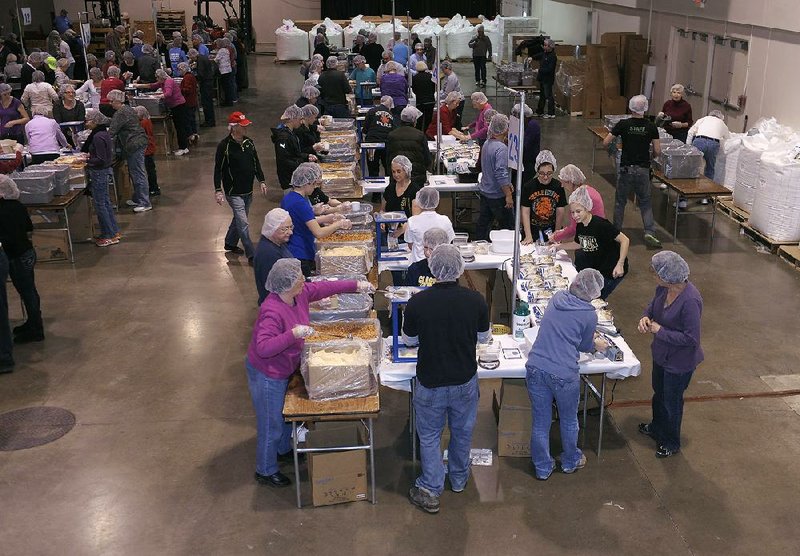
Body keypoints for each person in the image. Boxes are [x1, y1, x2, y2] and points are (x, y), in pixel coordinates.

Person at [246, 258, 372, 487]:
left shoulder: (299, 294)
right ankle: (265, 469)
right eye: (299, 278)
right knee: (270, 421)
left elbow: (323, 288)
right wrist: (292, 334)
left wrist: (355, 285)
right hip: (267, 373)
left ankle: (283, 450)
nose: (304, 280)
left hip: (285, 367)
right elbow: (263, 348)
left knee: (282, 416)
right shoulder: (272, 311)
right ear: (286, 285)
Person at [403, 244, 491, 513]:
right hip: (464, 380)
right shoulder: (475, 300)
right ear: (459, 268)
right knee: (462, 432)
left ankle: (430, 487)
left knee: (429, 436)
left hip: (430, 382)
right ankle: (459, 479)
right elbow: (484, 338)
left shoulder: (417, 302)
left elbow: (409, 340)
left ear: (433, 268)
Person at [525, 268, 608, 480]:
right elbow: (584, 344)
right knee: (569, 419)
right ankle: (571, 460)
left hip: (536, 367)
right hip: (563, 374)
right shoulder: (589, 314)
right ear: (593, 293)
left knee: (540, 421)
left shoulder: (557, 297)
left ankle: (542, 467)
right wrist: (596, 345)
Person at [638, 251, 703, 459]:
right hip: (661, 355)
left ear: (669, 277)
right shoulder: (662, 289)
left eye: (656, 274)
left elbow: (691, 339)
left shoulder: (690, 301)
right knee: (659, 393)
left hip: (679, 362)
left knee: (672, 402)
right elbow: (651, 307)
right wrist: (645, 318)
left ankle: (671, 441)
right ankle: (657, 427)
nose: (654, 277)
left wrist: (660, 331)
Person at [603, 94, 663, 249]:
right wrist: (650, 154)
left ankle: (616, 232)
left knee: (620, 202)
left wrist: (618, 145)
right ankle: (649, 232)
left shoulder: (623, 124)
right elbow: (657, 150)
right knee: (645, 202)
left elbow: (606, 141)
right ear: (645, 107)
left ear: (630, 107)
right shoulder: (651, 126)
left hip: (625, 169)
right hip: (643, 169)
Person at [280, 163, 353, 276]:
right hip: (301, 252)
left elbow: (302, 220)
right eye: (314, 184)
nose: (314, 188)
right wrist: (339, 224)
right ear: (306, 183)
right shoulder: (301, 203)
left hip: (290, 249)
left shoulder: (288, 198)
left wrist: (328, 218)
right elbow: (319, 233)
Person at [557, 186, 629, 299]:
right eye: (572, 212)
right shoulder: (580, 224)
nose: (575, 216)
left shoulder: (601, 225)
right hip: (597, 268)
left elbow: (625, 240)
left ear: (587, 208)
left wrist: (620, 264)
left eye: (578, 211)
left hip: (611, 270)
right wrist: (558, 246)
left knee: (596, 299)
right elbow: (579, 243)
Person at [214, 111, 267, 264]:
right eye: (243, 126)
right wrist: (218, 190)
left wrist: (261, 180)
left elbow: (256, 162)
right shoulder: (224, 146)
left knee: (239, 219)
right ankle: (251, 254)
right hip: (233, 192)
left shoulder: (249, 142)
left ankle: (230, 242)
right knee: (243, 223)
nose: (246, 129)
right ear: (234, 127)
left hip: (248, 191)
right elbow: (218, 169)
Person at [0, 174, 44, 345]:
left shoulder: (2, 210)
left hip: (16, 256)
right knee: (29, 291)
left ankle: (36, 329)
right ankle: (33, 322)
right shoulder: (18, 206)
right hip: (26, 252)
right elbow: (28, 227)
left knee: (26, 291)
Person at [107, 89, 151, 213]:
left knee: (138, 173)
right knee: (135, 172)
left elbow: (112, 131)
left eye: (111, 101)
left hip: (134, 144)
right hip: (138, 142)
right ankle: (138, 198)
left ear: (117, 101)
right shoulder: (128, 109)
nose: (110, 104)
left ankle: (145, 202)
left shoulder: (121, 113)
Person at [82, 109, 120, 246]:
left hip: (99, 172)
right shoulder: (103, 133)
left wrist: (86, 161)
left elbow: (101, 159)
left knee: (100, 204)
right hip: (103, 171)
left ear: (95, 121)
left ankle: (107, 235)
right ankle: (113, 231)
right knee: (105, 202)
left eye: (88, 120)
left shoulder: (98, 137)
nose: (86, 123)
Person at [476, 114, 513, 241]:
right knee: (508, 227)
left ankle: (478, 245)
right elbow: (501, 173)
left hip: (486, 192)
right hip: (497, 196)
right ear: (504, 129)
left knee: (483, 225)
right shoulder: (501, 149)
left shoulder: (487, 143)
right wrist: (508, 195)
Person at [138, 68, 190, 155]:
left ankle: (183, 148)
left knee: (180, 127)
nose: (157, 80)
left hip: (178, 106)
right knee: (179, 127)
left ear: (161, 77)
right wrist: (138, 86)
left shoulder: (168, 82)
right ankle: (183, 146)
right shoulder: (163, 81)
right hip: (176, 106)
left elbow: (168, 93)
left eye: (157, 78)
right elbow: (153, 85)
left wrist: (157, 96)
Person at [550, 164, 605, 244]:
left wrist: (555, 237)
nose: (562, 186)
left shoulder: (579, 198)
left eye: (563, 182)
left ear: (570, 182)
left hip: (592, 238)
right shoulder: (590, 190)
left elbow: (573, 228)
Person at [521, 150, 567, 244]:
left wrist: (556, 234)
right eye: (542, 173)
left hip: (551, 230)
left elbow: (560, 212)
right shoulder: (528, 186)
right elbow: (525, 212)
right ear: (537, 170)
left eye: (549, 173)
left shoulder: (558, 186)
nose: (545, 177)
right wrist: (528, 235)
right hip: (533, 230)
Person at [405, 187, 455, 263]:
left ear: (419, 201)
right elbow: (449, 242)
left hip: (418, 263)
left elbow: (410, 245)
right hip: (440, 263)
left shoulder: (412, 221)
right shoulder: (445, 220)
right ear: (437, 201)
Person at [271, 104, 316, 189]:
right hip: (288, 177)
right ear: (293, 119)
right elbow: (284, 160)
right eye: (300, 119)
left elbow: (294, 153)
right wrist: (302, 165)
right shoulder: (283, 138)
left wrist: (306, 156)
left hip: (293, 174)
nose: (301, 122)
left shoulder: (291, 133)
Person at [385, 106, 431, 189]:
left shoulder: (391, 135)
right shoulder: (420, 135)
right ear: (414, 120)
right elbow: (427, 158)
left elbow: (388, 158)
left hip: (397, 177)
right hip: (416, 177)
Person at [254, 209, 293, 305]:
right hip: (277, 304)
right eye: (285, 229)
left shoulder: (278, 242)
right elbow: (274, 289)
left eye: (291, 227)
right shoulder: (268, 254)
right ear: (272, 228)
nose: (290, 232)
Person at [687, 110, 730, 182]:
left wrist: (688, 146)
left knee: (692, 164)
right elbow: (728, 138)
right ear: (721, 117)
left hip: (699, 141)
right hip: (713, 143)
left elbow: (690, 132)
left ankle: (689, 185)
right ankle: (708, 189)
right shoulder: (722, 123)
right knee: (710, 167)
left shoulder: (703, 119)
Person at [363, 96, 396, 178]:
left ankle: (375, 188)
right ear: (390, 105)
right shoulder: (391, 115)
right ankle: (389, 187)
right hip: (386, 142)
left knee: (372, 167)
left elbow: (365, 130)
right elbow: (394, 131)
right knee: (388, 168)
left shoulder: (371, 111)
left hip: (372, 143)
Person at [134, 105, 160, 197]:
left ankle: (153, 188)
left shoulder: (143, 123)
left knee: (149, 170)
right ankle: (154, 187)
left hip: (147, 150)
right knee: (151, 170)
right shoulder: (148, 121)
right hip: (150, 148)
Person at [512, 102, 541, 185]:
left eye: (516, 115)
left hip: (528, 163)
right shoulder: (521, 124)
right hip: (520, 161)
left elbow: (523, 145)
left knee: (521, 184)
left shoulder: (532, 125)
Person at [533, 39, 557, 118]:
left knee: (548, 96)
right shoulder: (544, 54)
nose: (544, 47)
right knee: (542, 96)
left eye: (546, 45)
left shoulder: (552, 56)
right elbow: (538, 56)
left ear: (550, 47)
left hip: (548, 80)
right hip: (542, 79)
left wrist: (539, 70)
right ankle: (540, 111)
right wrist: (531, 58)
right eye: (544, 45)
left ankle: (551, 113)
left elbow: (549, 69)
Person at [177, 62, 198, 143]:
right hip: (192, 100)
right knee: (192, 119)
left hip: (188, 101)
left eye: (179, 70)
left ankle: (191, 136)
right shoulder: (190, 76)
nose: (179, 72)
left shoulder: (187, 77)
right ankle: (194, 134)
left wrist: (179, 89)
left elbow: (187, 89)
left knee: (188, 120)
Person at [439, 61, 464, 128]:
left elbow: (447, 92)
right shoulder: (448, 76)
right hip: (454, 99)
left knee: (456, 119)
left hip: (458, 100)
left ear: (447, 68)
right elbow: (444, 89)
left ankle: (459, 131)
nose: (442, 71)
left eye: (443, 69)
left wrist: (438, 97)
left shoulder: (451, 78)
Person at [412, 62, 436, 132]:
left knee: (420, 120)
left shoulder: (415, 78)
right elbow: (433, 89)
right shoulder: (431, 76)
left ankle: (419, 134)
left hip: (420, 102)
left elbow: (414, 90)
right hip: (430, 101)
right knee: (428, 120)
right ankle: (427, 134)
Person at [214, 38, 235, 106]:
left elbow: (216, 60)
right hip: (228, 70)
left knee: (226, 87)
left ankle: (228, 102)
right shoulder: (226, 50)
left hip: (224, 71)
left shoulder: (221, 51)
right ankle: (229, 100)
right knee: (228, 86)